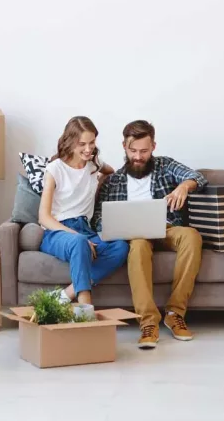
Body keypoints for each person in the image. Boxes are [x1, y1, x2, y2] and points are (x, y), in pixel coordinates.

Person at [92, 120, 207, 349]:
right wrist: (117, 226)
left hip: (167, 227)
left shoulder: (165, 166)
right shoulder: (112, 182)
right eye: (133, 150)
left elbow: (197, 177)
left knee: (192, 235)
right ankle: (148, 322)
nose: (138, 156)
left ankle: (175, 313)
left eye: (144, 151)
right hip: (135, 234)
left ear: (153, 146)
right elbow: (98, 219)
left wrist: (184, 186)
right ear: (124, 146)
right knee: (138, 245)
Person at [38, 116, 129, 306]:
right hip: (58, 231)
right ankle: (84, 305)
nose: (88, 149)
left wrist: (101, 181)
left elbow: (111, 171)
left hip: (85, 228)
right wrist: (78, 237)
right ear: (70, 142)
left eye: (92, 143)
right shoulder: (55, 169)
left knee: (121, 246)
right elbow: (44, 217)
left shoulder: (93, 165)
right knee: (79, 242)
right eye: (82, 144)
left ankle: (67, 294)